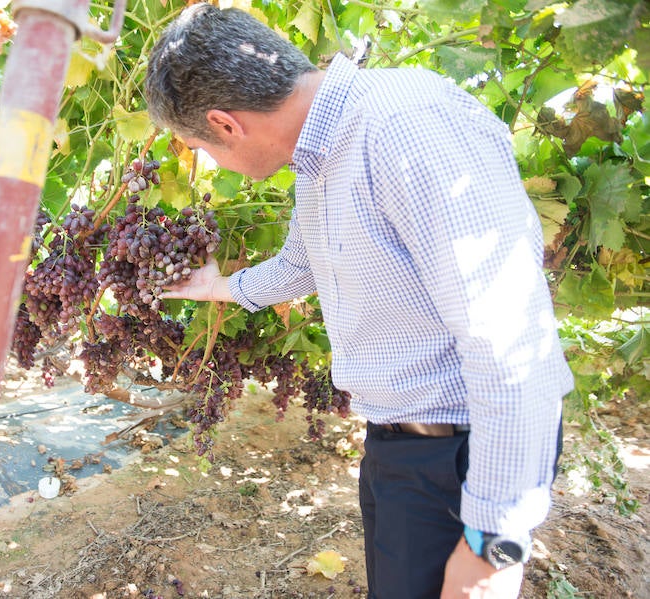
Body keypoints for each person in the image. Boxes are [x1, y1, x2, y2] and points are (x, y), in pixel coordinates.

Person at [144, 4, 574, 598]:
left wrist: (494, 545)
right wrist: (222, 287)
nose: (210, 162)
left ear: (224, 124)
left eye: (199, 147)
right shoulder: (322, 149)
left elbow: (507, 333)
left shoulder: (402, 125)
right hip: (405, 449)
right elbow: (303, 262)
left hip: (464, 456)